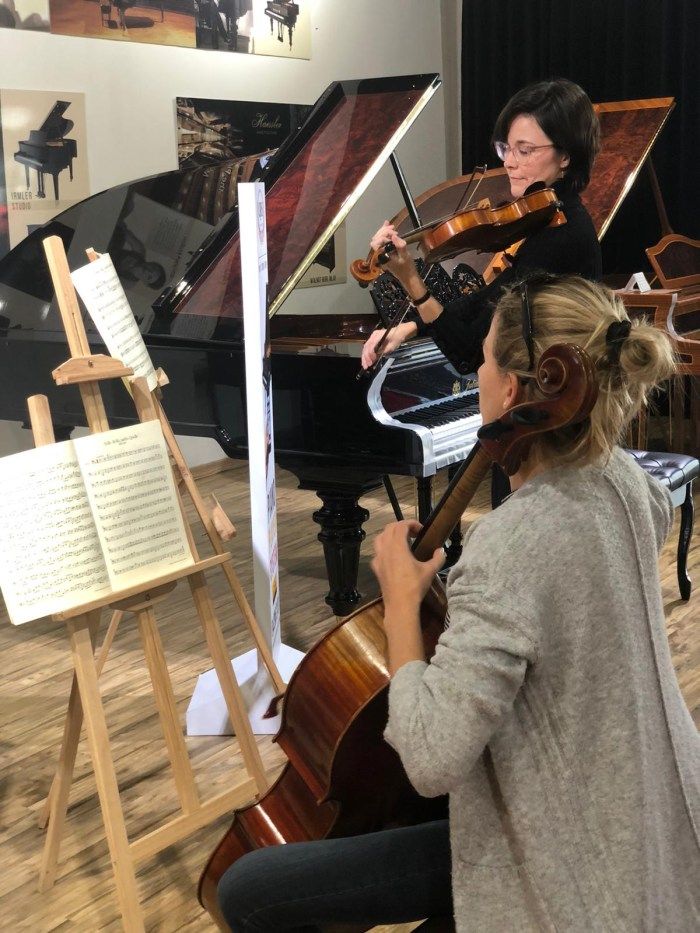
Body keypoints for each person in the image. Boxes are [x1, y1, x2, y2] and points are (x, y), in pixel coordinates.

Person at [216, 274, 700, 931]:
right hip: (654, 820)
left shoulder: (511, 543)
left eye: (483, 358)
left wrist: (402, 603)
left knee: (250, 889)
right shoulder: (628, 485)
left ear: (511, 389)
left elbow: (432, 759)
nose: (475, 369)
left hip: (571, 867)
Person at [360, 78, 602, 378]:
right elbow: (486, 298)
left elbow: (469, 353)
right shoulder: (551, 218)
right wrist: (410, 327)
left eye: (524, 151)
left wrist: (411, 280)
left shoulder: (562, 236)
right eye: (507, 149)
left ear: (565, 156)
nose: (510, 163)